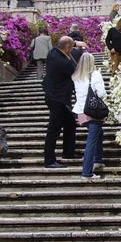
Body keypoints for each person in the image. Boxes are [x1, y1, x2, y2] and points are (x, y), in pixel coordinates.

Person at [42, 35, 84, 168]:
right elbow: (76, 70)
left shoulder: (52, 52)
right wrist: (80, 50)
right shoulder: (63, 62)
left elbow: (64, 43)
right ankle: (49, 160)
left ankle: (68, 152)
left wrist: (74, 43)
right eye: (71, 48)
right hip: (58, 99)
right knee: (53, 129)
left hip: (57, 96)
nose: (72, 50)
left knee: (70, 123)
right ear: (67, 48)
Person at [72, 53, 107, 180]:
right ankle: (86, 172)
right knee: (91, 141)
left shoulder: (76, 76)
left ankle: (98, 159)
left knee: (99, 133)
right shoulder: (95, 74)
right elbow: (101, 93)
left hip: (80, 112)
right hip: (93, 111)